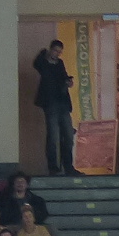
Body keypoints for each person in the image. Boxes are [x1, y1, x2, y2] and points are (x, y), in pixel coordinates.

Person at [32, 40, 75, 175]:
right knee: (53, 136)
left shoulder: (60, 63)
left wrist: (68, 81)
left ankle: (68, 166)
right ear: (51, 49)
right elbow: (37, 64)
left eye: (59, 52)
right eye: (55, 51)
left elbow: (63, 77)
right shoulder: (43, 63)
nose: (57, 54)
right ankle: (53, 167)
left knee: (69, 135)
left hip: (63, 103)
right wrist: (43, 53)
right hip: (50, 103)